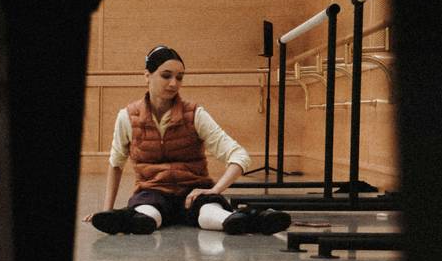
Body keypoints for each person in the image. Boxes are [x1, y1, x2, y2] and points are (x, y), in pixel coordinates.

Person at [84, 45, 290, 236]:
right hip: (152, 193)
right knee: (146, 215)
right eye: (166, 76)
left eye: (179, 77)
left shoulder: (195, 114)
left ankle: (253, 219)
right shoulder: (127, 116)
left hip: (193, 193)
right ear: (147, 75)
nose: (174, 83)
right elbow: (116, 164)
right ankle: (125, 218)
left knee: (211, 213)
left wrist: (214, 190)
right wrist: (106, 212)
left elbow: (239, 155)